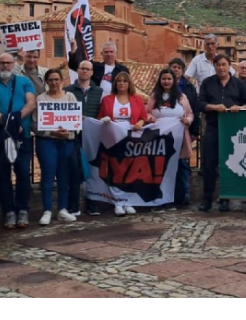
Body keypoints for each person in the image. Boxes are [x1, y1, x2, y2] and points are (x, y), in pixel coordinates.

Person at [0, 52, 37, 229]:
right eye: (2, 63)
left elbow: (31, 103)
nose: (5, 66)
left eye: (9, 63)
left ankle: (23, 210)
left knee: (23, 174)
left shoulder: (24, 82)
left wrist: (16, 121)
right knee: (3, 175)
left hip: (22, 136)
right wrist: (10, 123)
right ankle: (9, 212)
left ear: (14, 64)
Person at [197, 54, 246, 212]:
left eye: (224, 64)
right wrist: (214, 107)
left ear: (229, 66)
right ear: (214, 66)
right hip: (212, 128)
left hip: (232, 130)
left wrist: (241, 107)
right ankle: (207, 200)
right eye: (218, 65)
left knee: (227, 165)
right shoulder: (207, 83)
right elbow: (200, 103)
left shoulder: (238, 84)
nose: (221, 68)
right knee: (209, 165)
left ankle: (225, 199)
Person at [99, 70, 150, 216]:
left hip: (131, 140)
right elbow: (100, 118)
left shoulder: (137, 99)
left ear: (129, 84)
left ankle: (128, 201)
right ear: (115, 83)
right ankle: (118, 202)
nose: (121, 83)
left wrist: (140, 122)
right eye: (119, 81)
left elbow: (143, 117)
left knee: (130, 171)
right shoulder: (108, 100)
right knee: (116, 171)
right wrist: (106, 121)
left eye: (124, 81)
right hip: (113, 140)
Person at [35, 67, 78, 224]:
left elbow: (76, 121)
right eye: (51, 80)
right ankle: (47, 210)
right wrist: (52, 133)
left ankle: (62, 209)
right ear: (46, 82)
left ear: (61, 81)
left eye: (56, 79)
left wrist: (68, 133)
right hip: (47, 142)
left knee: (63, 176)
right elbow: (36, 124)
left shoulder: (70, 97)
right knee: (47, 175)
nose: (54, 82)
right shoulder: (41, 99)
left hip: (66, 141)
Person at [64, 58, 106, 216]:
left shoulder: (99, 92)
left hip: (94, 137)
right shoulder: (67, 91)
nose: (85, 71)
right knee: (74, 170)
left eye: (88, 69)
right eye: (82, 68)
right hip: (74, 136)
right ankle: (73, 205)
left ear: (92, 72)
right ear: (78, 70)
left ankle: (92, 204)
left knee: (94, 171)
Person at [149, 67, 194, 212]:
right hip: (158, 140)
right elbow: (146, 113)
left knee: (173, 169)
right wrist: (150, 119)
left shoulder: (181, 97)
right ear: (160, 81)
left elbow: (190, 113)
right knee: (158, 169)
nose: (166, 81)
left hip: (177, 139)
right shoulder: (154, 96)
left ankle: (169, 200)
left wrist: (187, 120)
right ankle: (157, 200)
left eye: (169, 79)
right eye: (164, 79)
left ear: (173, 81)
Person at [168, 57, 201, 209]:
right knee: (168, 164)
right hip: (166, 133)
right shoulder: (162, 88)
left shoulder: (189, 88)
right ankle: (170, 195)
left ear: (182, 70)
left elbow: (194, 109)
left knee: (182, 164)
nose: (175, 70)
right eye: (173, 67)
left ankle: (185, 194)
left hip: (184, 132)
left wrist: (194, 130)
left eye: (178, 67)